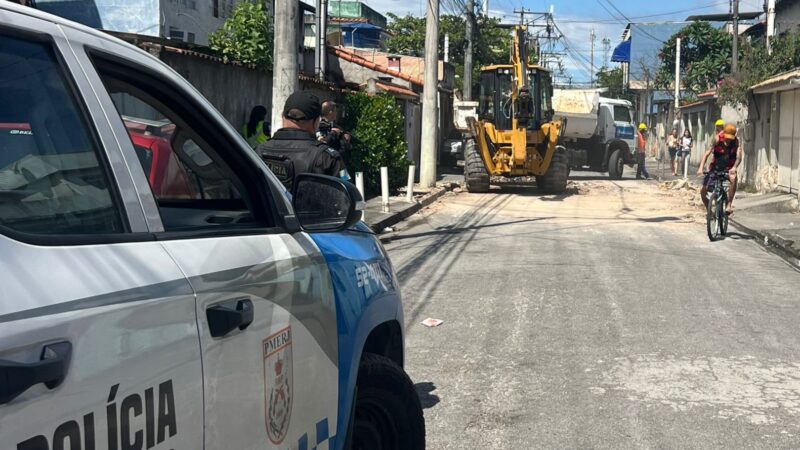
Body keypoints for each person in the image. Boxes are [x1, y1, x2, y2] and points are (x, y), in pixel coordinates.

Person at [256, 91, 349, 192]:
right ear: (316, 122)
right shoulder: (328, 158)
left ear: (282, 116)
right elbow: (348, 191)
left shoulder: (258, 151)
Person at [697, 123, 742, 214]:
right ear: (724, 133)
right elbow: (707, 153)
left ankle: (729, 204)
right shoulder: (717, 139)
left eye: (730, 138)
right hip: (715, 167)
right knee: (703, 191)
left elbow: (739, 157)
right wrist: (700, 168)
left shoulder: (736, 141)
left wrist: (734, 167)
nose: (728, 140)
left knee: (734, 178)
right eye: (727, 137)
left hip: (729, 168)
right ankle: (709, 211)